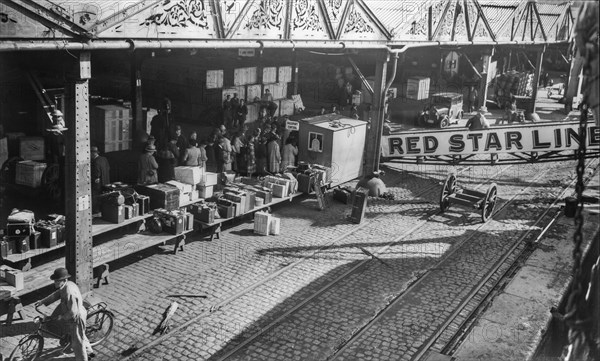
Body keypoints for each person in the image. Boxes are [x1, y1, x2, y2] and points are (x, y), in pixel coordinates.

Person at [35, 267, 94, 360]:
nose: (55, 283)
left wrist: (62, 317)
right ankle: (89, 350)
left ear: (64, 280)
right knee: (79, 334)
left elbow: (73, 312)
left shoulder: (69, 291)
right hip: (71, 311)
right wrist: (42, 301)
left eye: (57, 281)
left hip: (76, 317)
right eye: (55, 281)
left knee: (77, 343)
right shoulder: (66, 285)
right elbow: (57, 294)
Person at [90, 146, 110, 214]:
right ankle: (102, 209)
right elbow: (108, 168)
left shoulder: (95, 161)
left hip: (98, 183)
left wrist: (96, 178)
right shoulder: (104, 159)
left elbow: (97, 172)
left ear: (93, 153)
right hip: (106, 182)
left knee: (96, 196)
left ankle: (96, 210)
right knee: (104, 196)